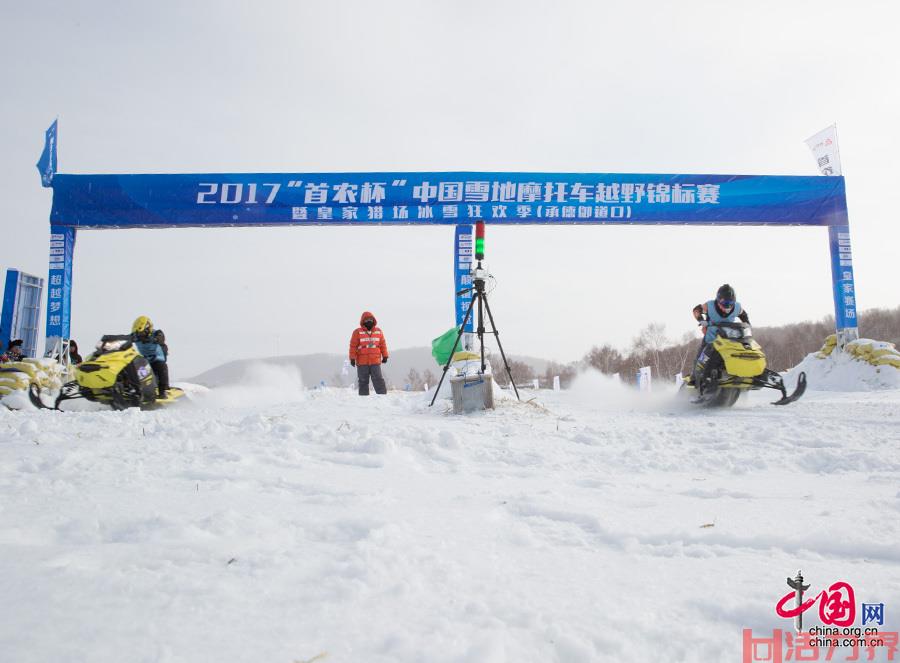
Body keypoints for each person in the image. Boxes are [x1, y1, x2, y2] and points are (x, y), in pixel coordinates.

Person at [691, 284, 750, 390]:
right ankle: (695, 379)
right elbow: (696, 310)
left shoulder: (737, 307)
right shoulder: (710, 306)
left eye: (730, 303)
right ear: (718, 300)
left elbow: (744, 315)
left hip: (729, 340)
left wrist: (747, 324)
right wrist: (701, 320)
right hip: (711, 340)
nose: (727, 306)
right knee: (700, 360)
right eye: (725, 303)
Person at [349, 311, 389, 395]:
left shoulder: (379, 331)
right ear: (363, 321)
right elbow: (353, 346)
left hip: (375, 361)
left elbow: (382, 344)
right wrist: (352, 358)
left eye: (370, 319)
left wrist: (385, 355)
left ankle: (382, 397)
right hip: (362, 361)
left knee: (378, 379)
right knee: (363, 380)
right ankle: (364, 400)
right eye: (366, 320)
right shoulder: (357, 332)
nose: (369, 321)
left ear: (373, 320)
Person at [132, 316, 170, 398]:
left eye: (141, 333)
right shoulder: (136, 336)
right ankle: (136, 391)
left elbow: (161, 338)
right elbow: (126, 337)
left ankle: (163, 391)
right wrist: (113, 338)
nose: (140, 335)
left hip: (157, 359)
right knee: (133, 368)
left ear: (147, 328)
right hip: (145, 361)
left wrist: (154, 339)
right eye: (138, 333)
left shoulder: (157, 333)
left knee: (161, 366)